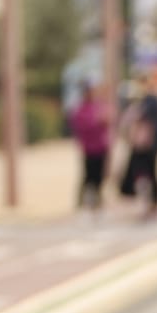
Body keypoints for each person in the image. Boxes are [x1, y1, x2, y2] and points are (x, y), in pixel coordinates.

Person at [119, 73, 157, 218]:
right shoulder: (144, 102)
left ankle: (152, 203)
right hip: (144, 144)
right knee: (146, 174)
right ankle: (150, 203)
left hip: (147, 145)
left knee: (148, 174)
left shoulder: (150, 102)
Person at [68, 82, 111, 215]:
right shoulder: (80, 109)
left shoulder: (99, 106)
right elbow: (80, 126)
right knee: (88, 176)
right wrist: (96, 122)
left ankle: (97, 201)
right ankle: (82, 202)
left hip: (101, 146)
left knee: (100, 176)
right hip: (88, 148)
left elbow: (108, 120)